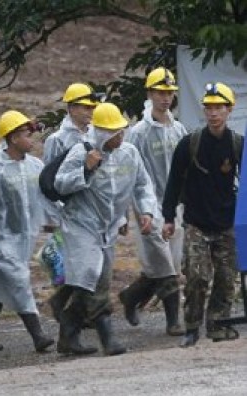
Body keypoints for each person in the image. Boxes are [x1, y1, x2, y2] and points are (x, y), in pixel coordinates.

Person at [54, 103, 156, 356]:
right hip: (81, 225)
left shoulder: (129, 154)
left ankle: (67, 328)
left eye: (121, 131)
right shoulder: (81, 152)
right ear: (100, 133)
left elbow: (142, 185)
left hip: (108, 228)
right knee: (93, 275)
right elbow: (60, 184)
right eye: (113, 133)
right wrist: (86, 168)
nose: (119, 137)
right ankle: (107, 337)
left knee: (97, 279)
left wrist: (146, 211)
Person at [0, 110, 55, 353]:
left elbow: (44, 199)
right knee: (19, 282)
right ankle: (38, 336)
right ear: (13, 138)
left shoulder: (35, 166)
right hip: (1, 241)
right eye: (27, 135)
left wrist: (52, 220)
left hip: (25, 239)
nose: (32, 140)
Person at [163, 82, 241, 347]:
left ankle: (218, 325)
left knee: (226, 279)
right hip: (196, 221)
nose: (213, 113)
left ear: (230, 109)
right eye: (208, 107)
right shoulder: (189, 144)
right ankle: (193, 327)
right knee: (197, 276)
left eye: (219, 107)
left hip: (228, 223)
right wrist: (168, 218)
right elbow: (173, 183)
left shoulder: (238, 145)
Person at [121, 67, 188, 336]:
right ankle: (174, 321)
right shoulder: (138, 132)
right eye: (161, 92)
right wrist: (138, 212)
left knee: (168, 263)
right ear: (150, 93)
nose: (166, 98)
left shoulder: (178, 128)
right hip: (149, 206)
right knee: (165, 265)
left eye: (170, 92)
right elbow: (133, 175)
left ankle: (131, 296)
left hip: (175, 207)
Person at [43, 83, 102, 321]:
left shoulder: (94, 135)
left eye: (91, 107)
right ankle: (77, 313)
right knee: (78, 264)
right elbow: (48, 181)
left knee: (86, 264)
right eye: (84, 107)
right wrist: (52, 215)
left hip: (90, 208)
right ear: (71, 108)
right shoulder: (56, 140)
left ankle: (67, 305)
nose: (89, 111)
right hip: (67, 209)